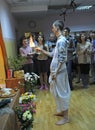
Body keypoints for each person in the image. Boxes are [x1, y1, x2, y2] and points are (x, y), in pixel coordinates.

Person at [36, 20, 71, 125]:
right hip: (56, 72)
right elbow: (52, 54)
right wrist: (41, 50)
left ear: (57, 28)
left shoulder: (61, 41)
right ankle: (62, 111)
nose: (52, 29)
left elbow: (62, 59)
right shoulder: (59, 40)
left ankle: (66, 117)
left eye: (53, 27)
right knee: (56, 92)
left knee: (62, 93)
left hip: (59, 72)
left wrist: (55, 72)